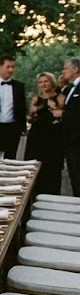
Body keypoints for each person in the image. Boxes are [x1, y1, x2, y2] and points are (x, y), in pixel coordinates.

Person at [24, 72, 65, 195]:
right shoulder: (35, 99)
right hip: (36, 135)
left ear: (51, 82)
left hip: (53, 136)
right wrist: (32, 112)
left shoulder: (60, 97)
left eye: (45, 81)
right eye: (40, 82)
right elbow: (30, 118)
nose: (43, 84)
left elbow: (62, 116)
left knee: (52, 168)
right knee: (34, 166)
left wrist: (54, 108)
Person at [61, 58, 80, 195]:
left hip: (77, 140)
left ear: (76, 70)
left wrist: (62, 114)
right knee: (74, 176)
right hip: (70, 140)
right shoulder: (70, 89)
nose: (63, 71)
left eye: (66, 68)